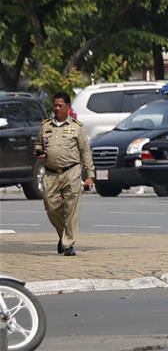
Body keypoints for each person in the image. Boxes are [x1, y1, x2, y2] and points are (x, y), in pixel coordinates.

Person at [34, 92, 94, 256]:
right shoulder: (46, 126)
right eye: (55, 105)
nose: (57, 108)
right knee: (51, 208)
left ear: (68, 106)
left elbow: (86, 153)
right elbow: (38, 144)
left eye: (60, 105)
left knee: (71, 210)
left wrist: (89, 176)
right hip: (50, 173)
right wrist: (38, 151)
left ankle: (68, 245)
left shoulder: (77, 127)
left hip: (72, 172)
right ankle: (63, 236)